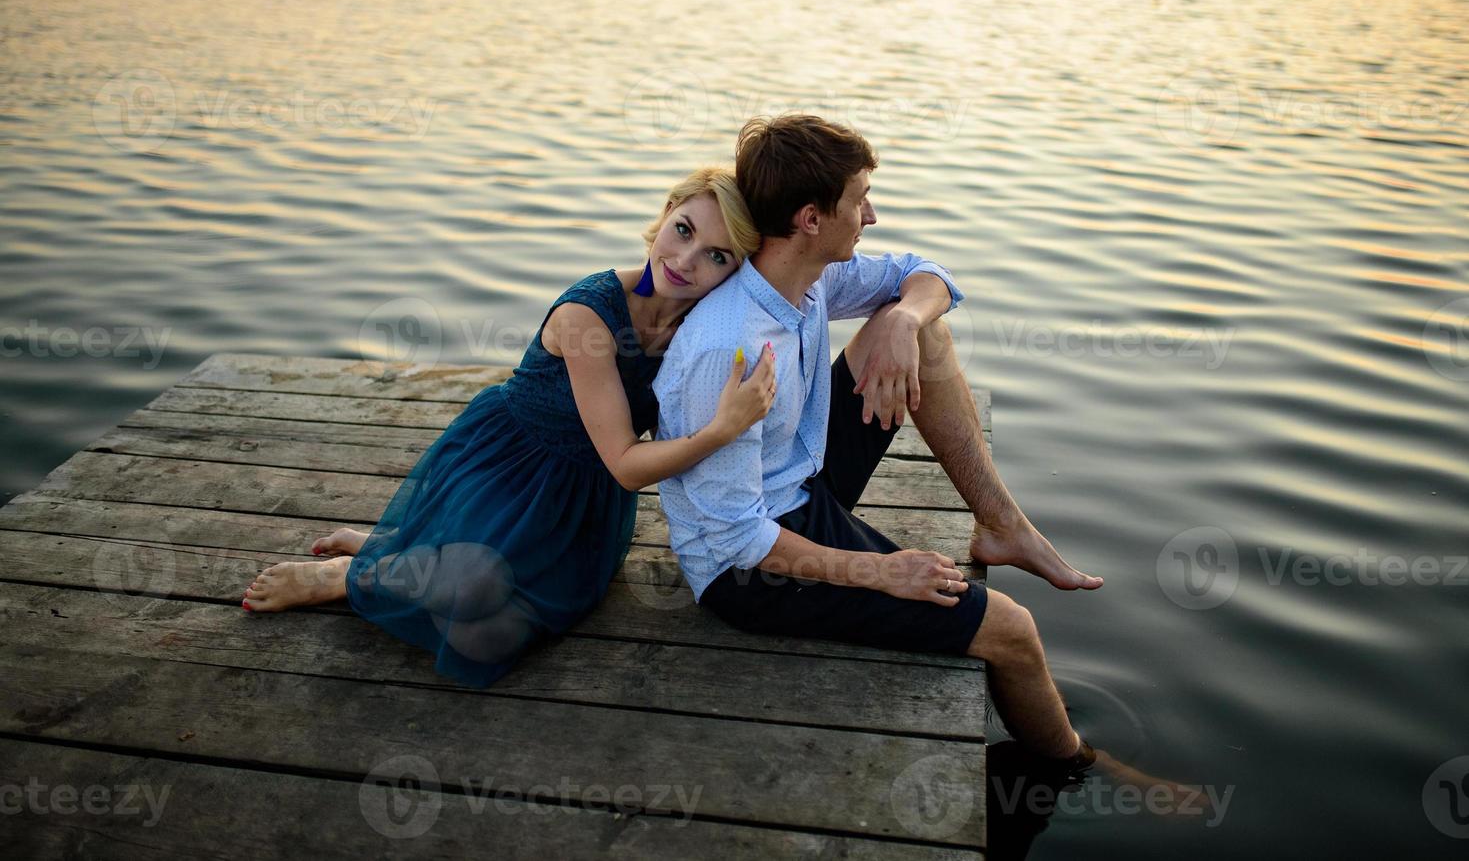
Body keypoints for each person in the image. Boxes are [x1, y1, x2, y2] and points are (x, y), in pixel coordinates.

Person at [654, 115, 1103, 764]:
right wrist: (882, 572)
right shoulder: (730, 348)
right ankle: (1075, 766)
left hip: (802, 476)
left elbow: (927, 273)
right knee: (1011, 628)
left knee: (919, 329)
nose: (871, 213)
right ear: (810, 219)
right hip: (747, 570)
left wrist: (901, 317)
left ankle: (1001, 524)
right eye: (859, 198)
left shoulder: (806, 279)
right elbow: (735, 538)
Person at [240, 166, 774, 688]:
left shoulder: (698, 330)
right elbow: (629, 467)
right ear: (664, 216)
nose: (685, 260)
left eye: (717, 255)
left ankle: (405, 548)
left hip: (583, 504)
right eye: (683, 229)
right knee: (473, 588)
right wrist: (721, 430)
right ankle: (351, 574)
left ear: (734, 272)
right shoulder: (587, 316)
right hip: (509, 467)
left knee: (487, 641)